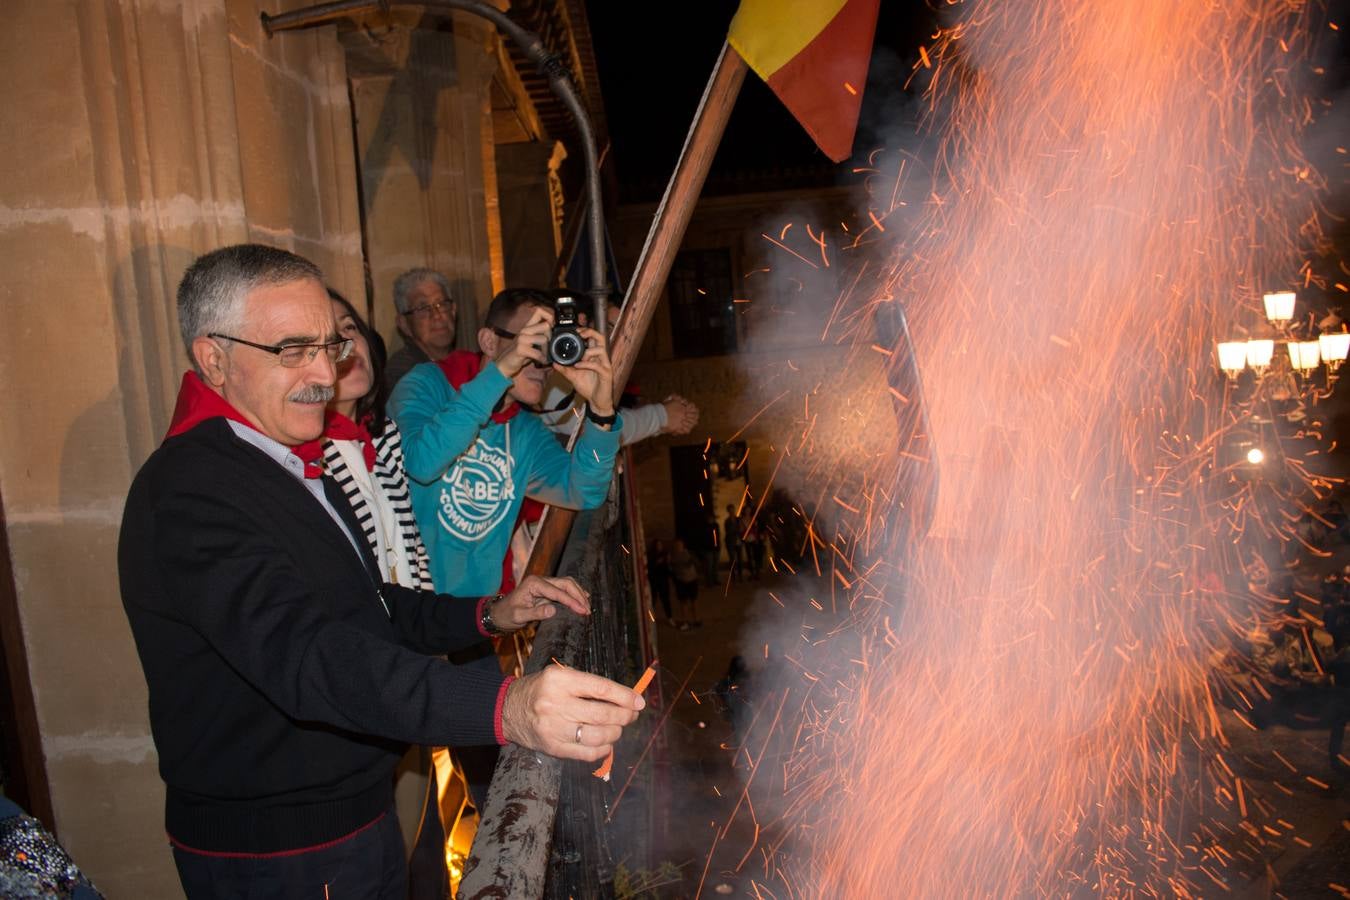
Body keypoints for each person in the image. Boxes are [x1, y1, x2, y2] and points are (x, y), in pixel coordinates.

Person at [119, 245, 642, 898]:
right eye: (291, 350)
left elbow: (372, 606)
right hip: (275, 849)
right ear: (213, 358)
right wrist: (509, 706)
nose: (322, 373)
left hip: (355, 812)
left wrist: (489, 612)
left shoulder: (296, 457)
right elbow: (308, 654)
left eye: (328, 346)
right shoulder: (190, 491)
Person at [389, 287, 622, 599]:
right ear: (489, 341)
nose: (543, 363)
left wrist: (602, 411)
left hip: (475, 617)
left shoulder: (525, 430)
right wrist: (502, 371)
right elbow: (421, 463)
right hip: (413, 609)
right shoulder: (425, 385)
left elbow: (585, 491)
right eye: (533, 342)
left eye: (547, 345)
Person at [386, 268, 458, 390]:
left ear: (453, 310)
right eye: (422, 308)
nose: (436, 315)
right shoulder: (402, 374)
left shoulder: (467, 363)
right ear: (404, 324)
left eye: (441, 304)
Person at [669, 537, 701, 630]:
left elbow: (695, 563)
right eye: (677, 545)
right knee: (683, 602)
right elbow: (673, 568)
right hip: (681, 581)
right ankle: (685, 621)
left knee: (694, 601)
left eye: (680, 544)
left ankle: (696, 619)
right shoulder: (673, 556)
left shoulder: (688, 553)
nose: (678, 546)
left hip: (691, 579)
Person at [647, 538, 673, 626]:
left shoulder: (664, 554)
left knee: (666, 600)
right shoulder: (651, 556)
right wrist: (657, 563)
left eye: (660, 545)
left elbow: (668, 570)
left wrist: (668, 563)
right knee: (652, 601)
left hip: (663, 581)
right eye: (658, 545)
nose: (660, 547)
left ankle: (670, 618)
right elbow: (650, 568)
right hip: (654, 581)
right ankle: (650, 618)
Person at [723, 504, 744, 581]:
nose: (732, 512)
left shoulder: (738, 519)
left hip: (738, 541)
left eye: (733, 510)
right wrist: (736, 530)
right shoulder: (727, 521)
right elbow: (728, 531)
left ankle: (740, 575)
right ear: (728, 511)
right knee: (732, 560)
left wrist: (738, 530)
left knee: (740, 559)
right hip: (731, 542)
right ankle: (733, 576)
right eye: (730, 510)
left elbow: (742, 528)